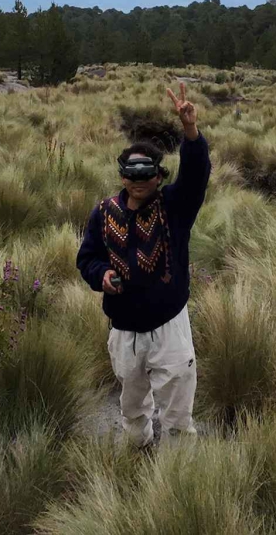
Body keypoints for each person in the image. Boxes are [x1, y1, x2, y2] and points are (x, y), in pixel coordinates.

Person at [76, 81, 209, 448]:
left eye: (146, 174)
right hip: (125, 332)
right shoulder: (104, 212)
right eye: (131, 174)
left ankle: (177, 477)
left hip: (170, 329)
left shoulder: (174, 207)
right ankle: (137, 450)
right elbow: (86, 258)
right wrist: (100, 275)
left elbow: (196, 178)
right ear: (122, 176)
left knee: (178, 414)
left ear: (158, 176)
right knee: (132, 406)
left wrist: (190, 130)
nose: (138, 182)